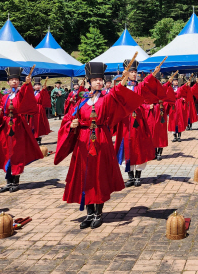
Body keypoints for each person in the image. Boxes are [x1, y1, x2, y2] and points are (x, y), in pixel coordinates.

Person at [55, 62, 144, 229]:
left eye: (100, 80)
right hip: (83, 142)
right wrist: (71, 125)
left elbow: (117, 92)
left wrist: (123, 78)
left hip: (101, 140)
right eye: (95, 80)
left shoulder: (106, 98)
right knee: (85, 175)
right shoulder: (81, 101)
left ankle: (98, 213)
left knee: (98, 176)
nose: (98, 82)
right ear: (89, 82)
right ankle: (89, 213)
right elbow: (68, 117)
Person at [0, 67, 44, 193]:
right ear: (8, 82)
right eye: (12, 80)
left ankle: (16, 181)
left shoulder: (20, 93)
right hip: (6, 126)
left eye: (16, 79)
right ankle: (8, 181)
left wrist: (27, 83)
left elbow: (26, 96)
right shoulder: (5, 96)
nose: (14, 81)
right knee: (5, 151)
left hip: (17, 126)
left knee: (16, 152)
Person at [115, 60, 167, 187]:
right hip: (126, 122)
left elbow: (147, 82)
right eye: (131, 72)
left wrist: (153, 74)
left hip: (138, 121)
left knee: (139, 147)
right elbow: (116, 93)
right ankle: (130, 176)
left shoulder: (139, 87)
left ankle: (138, 175)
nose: (134, 74)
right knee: (126, 147)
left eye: (135, 72)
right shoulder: (122, 86)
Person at [147, 72, 176, 161]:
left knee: (161, 133)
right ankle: (154, 152)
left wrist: (169, 82)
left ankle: (159, 152)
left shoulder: (161, 88)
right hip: (152, 111)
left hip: (160, 111)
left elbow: (165, 87)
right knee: (152, 132)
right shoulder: (149, 89)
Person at [168, 73, 191, 142]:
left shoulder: (180, 89)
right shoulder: (170, 89)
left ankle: (179, 137)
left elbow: (183, 92)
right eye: (174, 81)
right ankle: (174, 136)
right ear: (172, 82)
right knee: (173, 120)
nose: (176, 82)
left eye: (177, 81)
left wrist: (182, 99)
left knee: (179, 120)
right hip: (173, 106)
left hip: (179, 106)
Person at [30, 77, 52, 145]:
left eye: (39, 85)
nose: (37, 86)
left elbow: (45, 96)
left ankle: (39, 139)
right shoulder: (32, 93)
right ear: (33, 86)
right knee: (32, 124)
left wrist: (44, 90)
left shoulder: (42, 92)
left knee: (39, 124)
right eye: (36, 85)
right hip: (32, 109)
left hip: (39, 109)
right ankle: (34, 137)